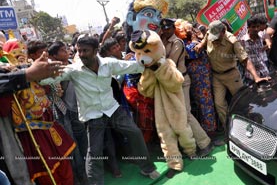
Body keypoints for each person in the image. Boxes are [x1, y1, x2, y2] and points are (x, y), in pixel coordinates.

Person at [40, 36, 160, 185]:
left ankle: (147, 168)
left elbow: (132, 66)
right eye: (79, 50)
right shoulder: (73, 69)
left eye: (85, 50)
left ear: (96, 50)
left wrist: (155, 62)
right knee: (94, 152)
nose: (81, 54)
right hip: (93, 115)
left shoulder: (109, 64)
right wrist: (35, 72)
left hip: (112, 109)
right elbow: (47, 79)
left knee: (135, 133)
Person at [194, 20, 270, 129]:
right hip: (217, 76)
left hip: (231, 75)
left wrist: (256, 77)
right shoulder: (209, 34)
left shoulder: (233, 41)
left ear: (224, 31)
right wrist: (200, 45)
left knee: (242, 102)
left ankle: (251, 126)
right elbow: (205, 40)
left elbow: (245, 60)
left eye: (216, 36)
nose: (213, 39)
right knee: (219, 104)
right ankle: (229, 129)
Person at [0, 52, 62, 185]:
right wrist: (26, 74)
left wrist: (26, 72)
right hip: (22, 128)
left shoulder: (8, 68)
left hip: (44, 122)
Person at [160, 18, 220, 156]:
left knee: (187, 113)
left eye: (168, 28)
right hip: (173, 82)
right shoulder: (164, 41)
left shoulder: (178, 42)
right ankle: (194, 144)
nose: (166, 30)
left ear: (174, 29)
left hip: (182, 80)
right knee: (182, 113)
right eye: (163, 28)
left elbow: (170, 62)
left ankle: (205, 142)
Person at [123, 0, 168, 143]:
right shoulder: (131, 49)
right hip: (136, 91)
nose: (155, 21)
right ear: (131, 18)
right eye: (148, 15)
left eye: (158, 17)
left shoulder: (158, 44)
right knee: (143, 120)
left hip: (154, 88)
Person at [48, 41, 89, 185]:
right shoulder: (55, 71)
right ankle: (79, 175)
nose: (66, 51)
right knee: (72, 144)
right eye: (62, 50)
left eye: (66, 49)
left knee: (84, 141)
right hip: (66, 111)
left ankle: (87, 171)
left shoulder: (75, 64)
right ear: (53, 56)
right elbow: (59, 92)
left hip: (80, 109)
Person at [240, 16, 270, 85]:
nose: (256, 29)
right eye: (253, 27)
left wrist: (268, 43)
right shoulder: (242, 41)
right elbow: (244, 60)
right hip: (251, 76)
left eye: (258, 26)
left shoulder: (261, 35)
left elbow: (266, 34)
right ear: (248, 28)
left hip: (264, 72)